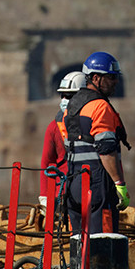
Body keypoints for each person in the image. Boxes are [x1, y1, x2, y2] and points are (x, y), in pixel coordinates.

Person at [60, 51, 130, 236]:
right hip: (97, 184)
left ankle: (79, 267)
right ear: (96, 78)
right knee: (103, 242)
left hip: (74, 183)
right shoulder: (100, 107)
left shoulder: (72, 107)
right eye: (111, 77)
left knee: (78, 243)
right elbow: (106, 151)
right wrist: (119, 183)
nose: (116, 82)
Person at [39, 70, 84, 212]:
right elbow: (46, 162)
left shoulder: (93, 124)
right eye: (62, 96)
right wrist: (45, 196)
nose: (64, 100)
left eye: (69, 96)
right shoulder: (53, 127)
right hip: (62, 192)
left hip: (88, 190)